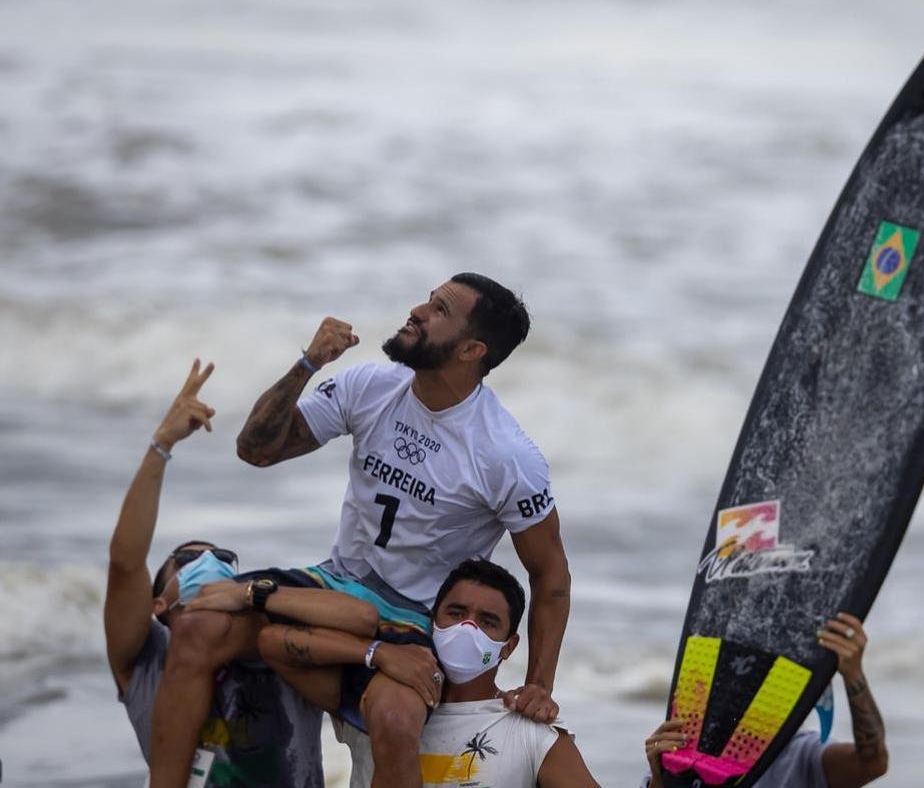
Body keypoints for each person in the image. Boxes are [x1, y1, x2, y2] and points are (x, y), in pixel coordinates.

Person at [151, 274, 571, 788]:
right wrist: (308, 365)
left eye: (439, 310)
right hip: (334, 585)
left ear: (471, 350)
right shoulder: (371, 385)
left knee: (394, 719)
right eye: (428, 299)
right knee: (196, 628)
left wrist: (539, 684)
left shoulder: (506, 454)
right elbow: (256, 450)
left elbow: (550, 575)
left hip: (414, 619)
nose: (417, 310)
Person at [104, 360, 377, 787]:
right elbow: (125, 562)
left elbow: (359, 615)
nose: (210, 566)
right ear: (159, 605)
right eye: (188, 559)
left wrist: (261, 597)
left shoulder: (280, 643)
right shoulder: (147, 662)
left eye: (222, 559)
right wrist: (162, 444)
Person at [257, 558, 600, 788]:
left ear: (508, 647)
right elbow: (274, 643)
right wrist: (377, 653)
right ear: (433, 622)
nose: (467, 628)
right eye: (456, 613)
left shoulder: (530, 733)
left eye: (487, 622)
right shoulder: (377, 701)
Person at [642, 614, 889, 788]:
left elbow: (872, 764)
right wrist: (659, 780)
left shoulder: (798, 756)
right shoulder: (680, 756)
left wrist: (854, 675)